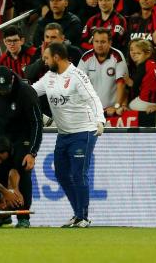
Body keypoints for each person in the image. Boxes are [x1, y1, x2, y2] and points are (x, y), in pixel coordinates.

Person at [32, 41, 105, 228]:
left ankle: (84, 216)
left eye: (47, 58)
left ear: (57, 57)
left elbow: (93, 98)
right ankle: (77, 213)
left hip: (84, 131)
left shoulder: (77, 76)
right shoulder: (49, 76)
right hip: (63, 133)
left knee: (78, 173)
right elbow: (30, 92)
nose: (45, 61)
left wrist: (100, 120)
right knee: (62, 173)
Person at [0, 65, 43, 228]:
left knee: (22, 169)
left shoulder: (26, 91)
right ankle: (3, 214)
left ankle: (23, 216)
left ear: (12, 80)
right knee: (0, 172)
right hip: (3, 134)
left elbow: (37, 123)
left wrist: (32, 152)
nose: (2, 93)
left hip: (24, 135)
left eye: (5, 89)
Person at [78, 27, 128, 117]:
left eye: (103, 42)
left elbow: (121, 84)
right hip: (92, 111)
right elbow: (79, 84)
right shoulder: (86, 57)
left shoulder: (117, 56)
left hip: (112, 110)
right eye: (96, 41)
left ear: (110, 42)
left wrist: (117, 106)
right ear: (92, 42)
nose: (99, 45)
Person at [124, 39, 156, 111]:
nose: (135, 55)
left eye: (139, 53)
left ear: (148, 54)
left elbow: (134, 86)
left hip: (146, 103)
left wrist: (128, 81)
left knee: (130, 106)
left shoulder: (143, 65)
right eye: (132, 51)